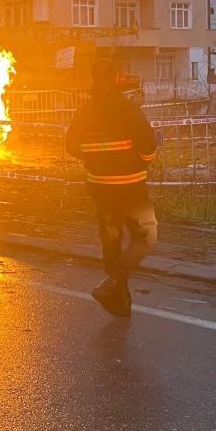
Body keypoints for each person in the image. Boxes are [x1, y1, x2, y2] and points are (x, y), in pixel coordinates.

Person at [65, 59, 159, 316]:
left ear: (94, 80)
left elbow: (71, 147)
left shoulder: (85, 111)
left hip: (100, 187)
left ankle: (120, 301)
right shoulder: (128, 108)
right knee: (146, 236)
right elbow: (148, 143)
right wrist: (143, 162)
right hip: (131, 187)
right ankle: (112, 283)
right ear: (117, 80)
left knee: (112, 238)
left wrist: (95, 157)